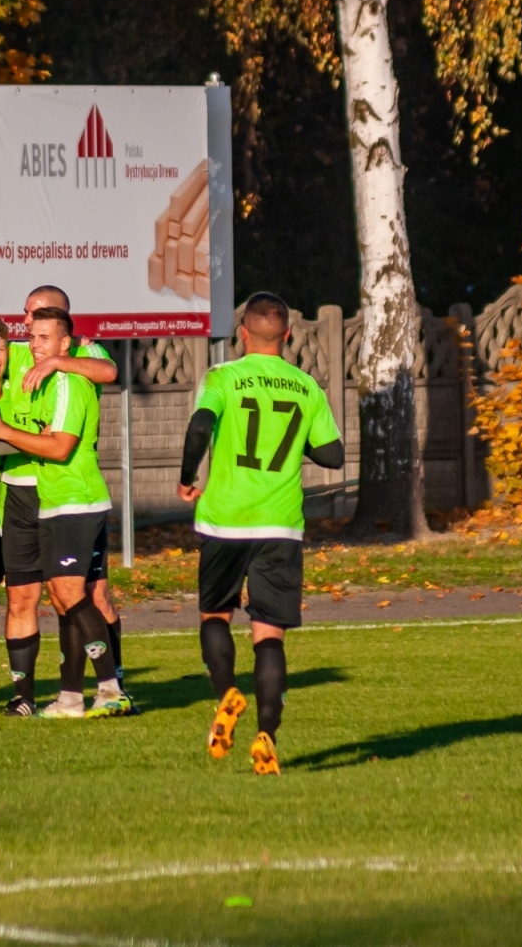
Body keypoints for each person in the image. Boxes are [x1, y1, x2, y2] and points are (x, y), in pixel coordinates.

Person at [176, 292, 343, 774]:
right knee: (270, 638)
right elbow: (332, 455)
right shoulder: (306, 387)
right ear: (287, 335)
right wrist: (291, 445)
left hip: (225, 519)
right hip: (281, 524)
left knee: (215, 615)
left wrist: (189, 476)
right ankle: (266, 737)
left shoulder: (223, 376)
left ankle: (227, 692)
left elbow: (199, 427)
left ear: (243, 334)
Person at [0, 306, 127, 718]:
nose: (34, 345)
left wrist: (4, 432)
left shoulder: (70, 381)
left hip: (75, 500)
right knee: (61, 595)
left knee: (74, 597)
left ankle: (111, 688)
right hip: (55, 502)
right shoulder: (41, 373)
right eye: (32, 336)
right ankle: (70, 698)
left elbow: (60, 447)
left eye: (43, 337)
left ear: (65, 342)